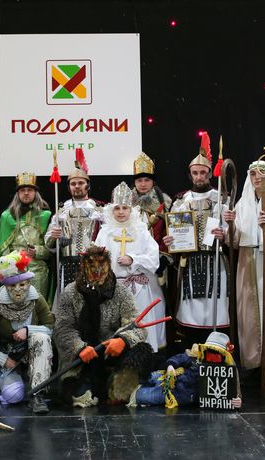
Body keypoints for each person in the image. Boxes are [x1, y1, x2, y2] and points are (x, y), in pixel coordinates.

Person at [53, 246, 152, 407]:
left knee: (141, 349)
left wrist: (122, 340)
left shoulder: (121, 292)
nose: (97, 269)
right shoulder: (70, 292)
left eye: (101, 264)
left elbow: (137, 324)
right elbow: (62, 328)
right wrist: (79, 348)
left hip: (110, 352)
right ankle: (87, 385)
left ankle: (119, 383)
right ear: (83, 266)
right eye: (92, 264)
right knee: (79, 393)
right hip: (82, 357)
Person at [223, 159, 265, 389]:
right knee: (248, 316)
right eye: (253, 174)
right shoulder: (242, 204)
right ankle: (254, 365)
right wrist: (229, 228)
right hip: (247, 261)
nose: (257, 177)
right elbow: (235, 241)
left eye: (261, 173)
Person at [163, 133, 230, 348]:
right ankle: (192, 350)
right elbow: (175, 234)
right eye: (195, 173)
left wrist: (224, 235)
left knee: (216, 305)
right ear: (190, 174)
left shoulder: (221, 199)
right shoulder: (180, 202)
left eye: (203, 172)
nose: (199, 177)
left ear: (209, 173)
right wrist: (171, 241)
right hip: (190, 262)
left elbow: (231, 230)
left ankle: (217, 349)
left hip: (215, 262)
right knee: (190, 306)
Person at [0, 251, 54, 414]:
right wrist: (3, 360)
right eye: (12, 286)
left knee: (41, 337)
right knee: (13, 395)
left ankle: (37, 392)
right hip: (9, 355)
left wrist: (28, 330)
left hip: (33, 352)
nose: (18, 290)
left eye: (22, 285)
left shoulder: (37, 299)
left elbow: (50, 328)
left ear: (29, 283)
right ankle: (20, 382)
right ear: (5, 286)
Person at [95, 181, 166, 352]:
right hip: (112, 290)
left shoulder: (140, 230)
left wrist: (133, 259)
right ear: (111, 210)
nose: (121, 212)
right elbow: (96, 261)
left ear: (131, 209)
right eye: (117, 208)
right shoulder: (104, 232)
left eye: (125, 208)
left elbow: (153, 258)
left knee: (141, 325)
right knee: (115, 329)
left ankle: (144, 359)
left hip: (138, 289)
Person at [44, 158, 103, 303]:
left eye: (80, 183)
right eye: (73, 183)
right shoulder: (62, 211)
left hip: (93, 264)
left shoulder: (99, 210)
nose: (77, 186)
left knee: (92, 302)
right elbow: (48, 243)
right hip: (68, 264)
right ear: (69, 187)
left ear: (88, 185)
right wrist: (54, 237)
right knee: (69, 303)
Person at [0, 172, 53, 301]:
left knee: (37, 307)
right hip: (14, 270)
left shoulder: (46, 216)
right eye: (22, 190)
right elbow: (2, 250)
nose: (26, 193)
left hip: (38, 272)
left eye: (30, 190)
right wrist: (9, 265)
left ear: (35, 192)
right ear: (17, 193)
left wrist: (37, 251)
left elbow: (51, 251)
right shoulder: (6, 216)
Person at [131, 152, 172, 280]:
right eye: (139, 180)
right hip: (131, 258)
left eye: (147, 180)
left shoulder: (164, 202)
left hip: (155, 260)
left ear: (153, 182)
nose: (143, 184)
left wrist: (164, 257)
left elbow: (168, 231)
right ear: (135, 182)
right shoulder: (125, 204)